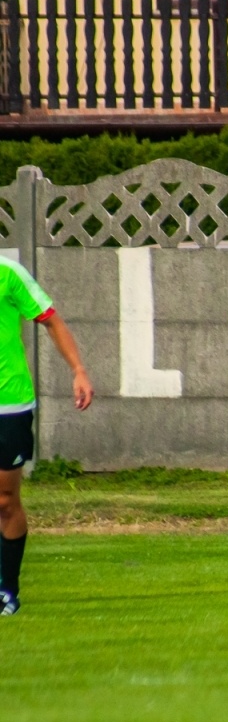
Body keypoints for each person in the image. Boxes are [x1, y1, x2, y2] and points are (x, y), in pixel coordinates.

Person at [0, 257, 93, 616]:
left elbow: (50, 319)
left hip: (9, 404)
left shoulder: (9, 273)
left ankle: (8, 590)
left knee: (5, 502)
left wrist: (79, 370)